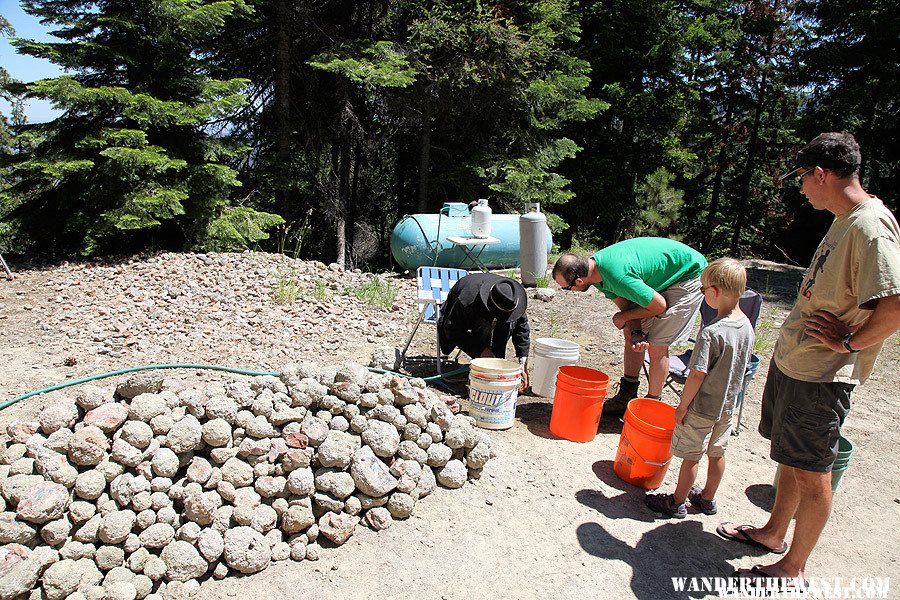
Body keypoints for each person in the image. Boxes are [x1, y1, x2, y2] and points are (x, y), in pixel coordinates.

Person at [716, 132, 900, 584]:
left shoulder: (871, 225)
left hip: (822, 374)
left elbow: (894, 303)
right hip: (797, 362)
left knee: (813, 467)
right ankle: (773, 533)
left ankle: (792, 566)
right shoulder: (844, 218)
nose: (800, 188)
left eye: (802, 178)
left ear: (821, 174)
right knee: (792, 458)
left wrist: (850, 343)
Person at [645, 258, 755, 518]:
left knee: (691, 456)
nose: (703, 294)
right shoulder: (747, 327)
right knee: (717, 453)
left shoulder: (711, 332)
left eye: (704, 289)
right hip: (727, 406)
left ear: (714, 292)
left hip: (702, 407)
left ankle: (677, 502)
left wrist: (682, 407)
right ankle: (706, 499)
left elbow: (696, 375)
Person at [551, 237, 707, 416]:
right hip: (662, 275)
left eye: (567, 288)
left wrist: (622, 317)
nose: (569, 292)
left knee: (657, 344)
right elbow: (628, 306)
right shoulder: (596, 274)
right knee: (630, 333)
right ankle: (627, 394)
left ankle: (651, 405)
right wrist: (636, 332)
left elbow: (659, 306)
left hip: (688, 273)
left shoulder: (617, 276)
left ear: (579, 281)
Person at [437, 273, 531, 387]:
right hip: (465, 304)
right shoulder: (467, 300)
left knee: (506, 326)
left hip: (492, 304)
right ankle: (486, 366)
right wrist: (481, 350)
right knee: (482, 327)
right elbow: (452, 329)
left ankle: (495, 369)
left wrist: (522, 361)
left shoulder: (512, 297)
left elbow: (522, 327)